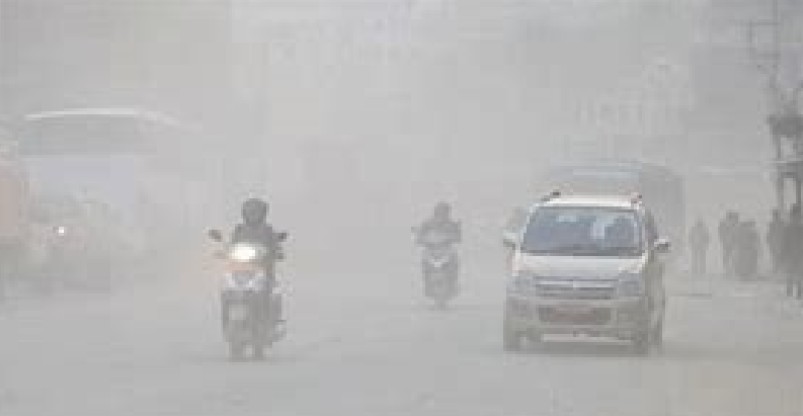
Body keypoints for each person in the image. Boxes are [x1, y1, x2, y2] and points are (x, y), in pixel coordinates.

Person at [225, 197, 285, 325]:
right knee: (226, 287)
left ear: (263, 213)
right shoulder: (239, 229)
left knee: (271, 289)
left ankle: (271, 318)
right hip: (240, 268)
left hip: (264, 268)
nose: (253, 215)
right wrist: (224, 252)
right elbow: (231, 245)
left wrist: (277, 252)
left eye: (255, 212)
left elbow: (276, 245)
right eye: (250, 212)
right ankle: (227, 316)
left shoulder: (268, 230)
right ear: (244, 213)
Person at [781, 205, 803, 299]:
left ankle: (796, 291)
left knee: (796, 273)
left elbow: (784, 242)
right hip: (794, 254)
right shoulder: (790, 228)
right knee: (794, 272)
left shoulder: (791, 227)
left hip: (797, 254)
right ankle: (793, 290)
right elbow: (785, 242)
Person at [718, 211, 740, 277]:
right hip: (729, 244)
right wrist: (723, 240)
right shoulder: (725, 225)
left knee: (732, 258)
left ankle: (731, 270)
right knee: (729, 258)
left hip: (731, 244)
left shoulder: (735, 225)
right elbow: (721, 234)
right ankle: (728, 271)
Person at [766, 209, 785, 274]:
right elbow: (769, 235)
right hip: (776, 244)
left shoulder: (777, 224)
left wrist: (769, 242)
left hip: (778, 244)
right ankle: (777, 271)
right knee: (776, 258)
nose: (774, 217)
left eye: (775, 215)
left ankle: (777, 271)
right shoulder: (775, 224)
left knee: (777, 258)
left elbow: (769, 235)